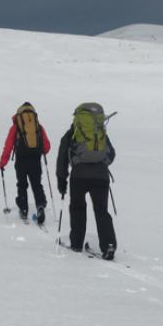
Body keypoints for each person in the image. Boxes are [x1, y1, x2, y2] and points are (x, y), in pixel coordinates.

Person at [56, 102, 117, 260]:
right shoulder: (100, 132)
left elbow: (62, 157)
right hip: (101, 177)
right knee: (101, 211)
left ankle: (76, 243)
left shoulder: (73, 132)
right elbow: (111, 154)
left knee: (77, 208)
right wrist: (101, 165)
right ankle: (108, 245)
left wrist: (61, 181)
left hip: (79, 176)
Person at [0, 102, 50, 223]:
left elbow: (8, 146)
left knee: (22, 184)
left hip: (21, 161)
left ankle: (24, 209)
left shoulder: (16, 127)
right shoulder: (38, 127)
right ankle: (40, 205)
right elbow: (46, 147)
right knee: (37, 184)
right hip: (35, 161)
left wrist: (3, 162)